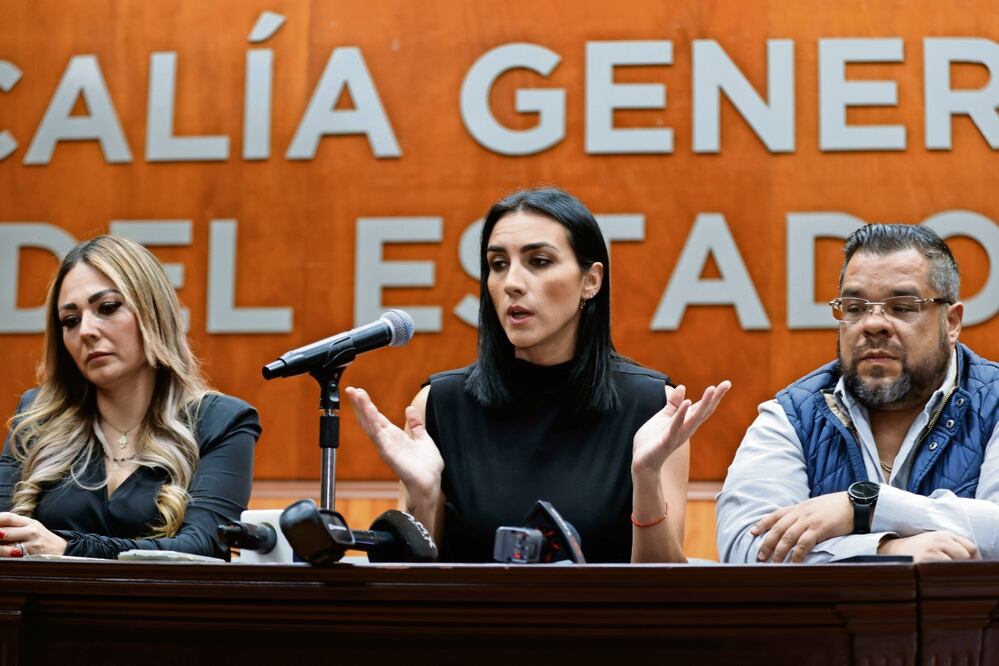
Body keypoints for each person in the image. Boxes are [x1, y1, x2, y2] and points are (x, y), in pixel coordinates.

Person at [347, 188, 729, 563]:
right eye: (498, 264)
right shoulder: (440, 405)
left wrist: (646, 477)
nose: (512, 282)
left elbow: (661, 595)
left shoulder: (652, 408)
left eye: (539, 261)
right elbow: (412, 598)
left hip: (603, 627)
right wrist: (422, 495)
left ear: (591, 280)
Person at [717, 224, 999, 564]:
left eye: (902, 307)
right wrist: (884, 551)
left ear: (951, 322)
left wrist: (867, 506)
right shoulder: (791, 417)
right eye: (855, 307)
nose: (873, 323)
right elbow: (748, 551)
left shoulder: (993, 402)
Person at [0, 235, 260, 560]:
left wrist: (68, 548)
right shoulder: (36, 417)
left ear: (152, 311)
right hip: (43, 608)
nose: (86, 331)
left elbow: (202, 548)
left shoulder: (220, 421)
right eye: (71, 320)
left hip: (163, 609)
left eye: (107, 308)